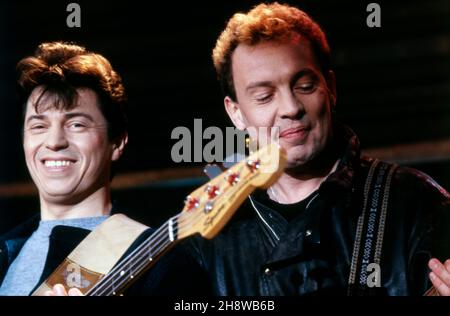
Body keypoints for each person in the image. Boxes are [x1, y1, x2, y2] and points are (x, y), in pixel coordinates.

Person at [188, 2, 450, 296]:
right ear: (236, 113)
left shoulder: (413, 201)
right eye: (264, 96)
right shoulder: (210, 239)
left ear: (331, 88)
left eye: (305, 86)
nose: (290, 108)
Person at [0, 41, 211, 296]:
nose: (54, 142)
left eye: (76, 124)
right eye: (38, 126)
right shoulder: (6, 251)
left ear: (117, 141)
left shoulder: (160, 260)